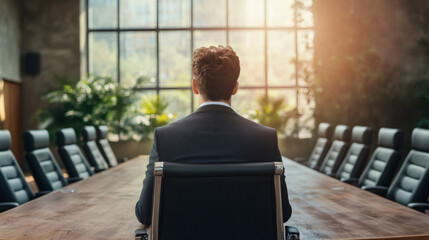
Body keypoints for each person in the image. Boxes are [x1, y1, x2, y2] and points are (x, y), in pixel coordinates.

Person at [135, 45, 292, 226]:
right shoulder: (265, 138)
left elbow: (145, 213)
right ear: (235, 88)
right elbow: (282, 212)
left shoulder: (165, 138)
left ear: (195, 86)